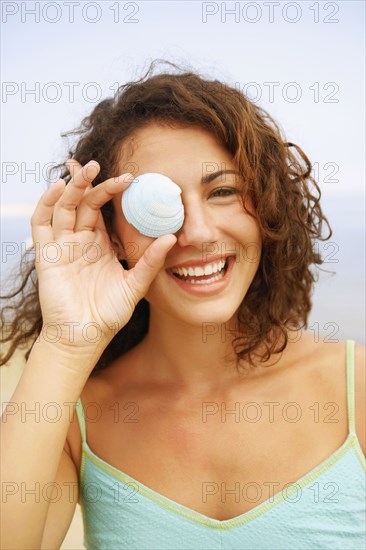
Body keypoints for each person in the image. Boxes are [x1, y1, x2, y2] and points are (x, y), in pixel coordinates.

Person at [1, 60, 365, 550]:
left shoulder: (355, 388)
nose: (196, 232)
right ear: (109, 231)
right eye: (157, 205)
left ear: (266, 207)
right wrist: (66, 344)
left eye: (223, 191)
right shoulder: (75, 419)